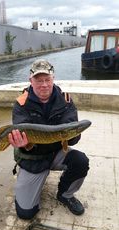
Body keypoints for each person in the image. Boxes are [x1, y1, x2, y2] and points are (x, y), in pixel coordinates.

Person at [8, 59, 89, 220]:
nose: (44, 84)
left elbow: (72, 139)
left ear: (53, 79)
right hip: (33, 158)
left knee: (80, 160)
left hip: (55, 153)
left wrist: (73, 134)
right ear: (31, 81)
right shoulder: (21, 104)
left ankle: (65, 194)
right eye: (39, 80)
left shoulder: (65, 100)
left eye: (47, 80)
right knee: (26, 213)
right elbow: (24, 142)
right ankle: (30, 185)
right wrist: (24, 145)